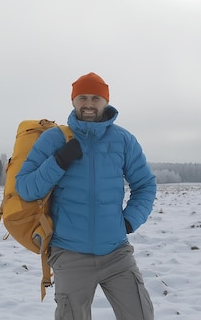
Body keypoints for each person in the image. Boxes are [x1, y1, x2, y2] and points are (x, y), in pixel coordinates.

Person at [16, 72, 157, 320]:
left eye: (95, 98)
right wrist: (59, 161)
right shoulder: (55, 139)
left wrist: (128, 221)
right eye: (82, 98)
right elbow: (26, 188)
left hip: (116, 253)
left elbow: (145, 184)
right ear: (73, 101)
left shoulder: (123, 140)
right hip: (70, 253)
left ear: (106, 102)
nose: (89, 104)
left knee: (141, 314)